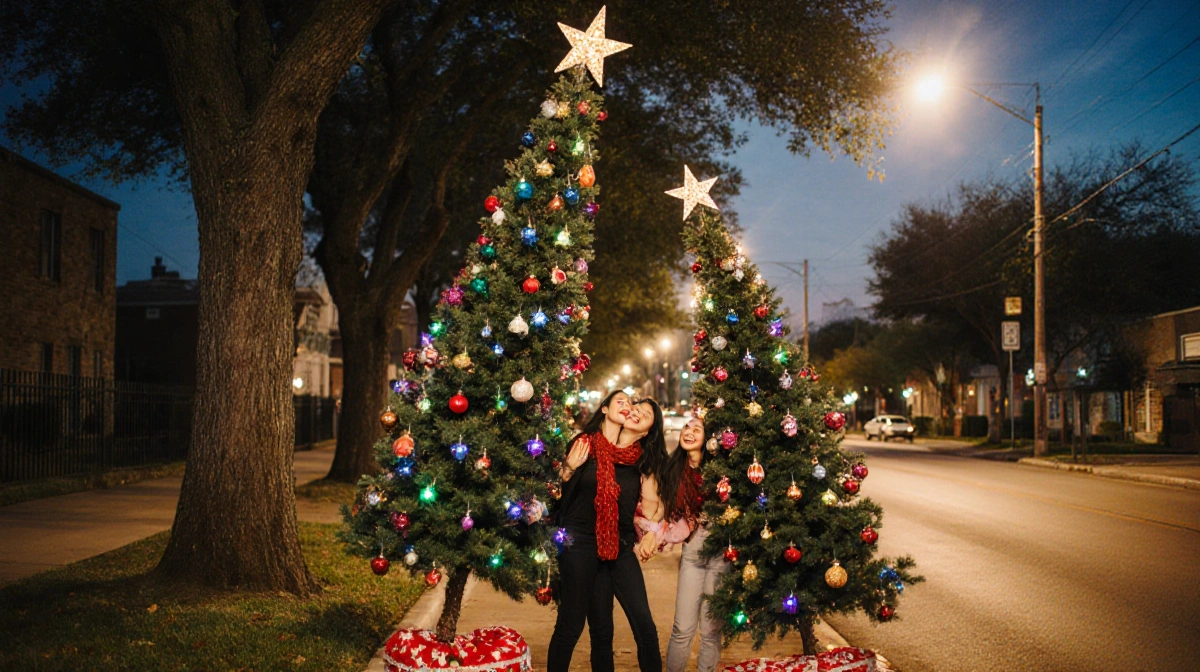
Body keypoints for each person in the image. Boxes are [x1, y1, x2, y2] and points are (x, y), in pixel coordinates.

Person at [547, 393, 667, 672]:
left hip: (618, 547)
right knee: (578, 625)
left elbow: (656, 508)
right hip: (579, 543)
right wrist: (568, 468)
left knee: (642, 626)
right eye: (629, 405)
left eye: (642, 413)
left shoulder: (643, 461)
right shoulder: (586, 444)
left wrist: (652, 532)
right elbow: (555, 490)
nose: (632, 410)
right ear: (605, 409)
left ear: (648, 430)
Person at [660, 417, 726, 672]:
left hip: (721, 550)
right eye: (687, 427)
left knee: (710, 629)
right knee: (682, 628)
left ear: (708, 438)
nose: (689, 432)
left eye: (697, 429)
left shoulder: (720, 469)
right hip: (692, 550)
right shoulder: (673, 469)